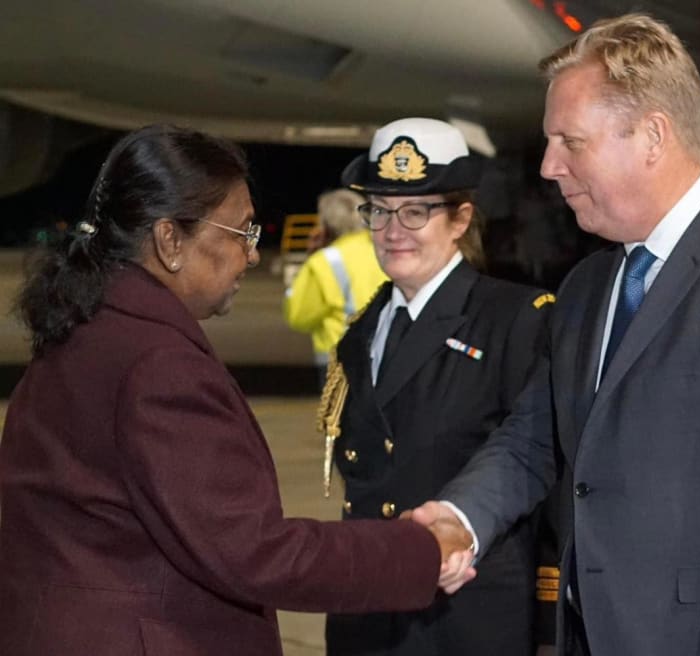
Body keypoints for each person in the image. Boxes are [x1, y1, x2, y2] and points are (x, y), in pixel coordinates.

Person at [414, 14, 700, 656]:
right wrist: (460, 518)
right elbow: (538, 437)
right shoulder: (590, 285)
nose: (547, 165)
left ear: (651, 136)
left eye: (570, 141)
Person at [0, 124, 471, 656]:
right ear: (170, 240)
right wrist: (419, 551)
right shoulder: (158, 366)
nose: (251, 255)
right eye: (242, 232)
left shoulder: (82, 332)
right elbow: (254, 552)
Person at [322, 117, 557, 656]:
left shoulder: (515, 319)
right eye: (378, 210)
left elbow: (538, 464)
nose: (392, 229)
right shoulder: (362, 329)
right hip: (369, 615)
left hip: (466, 621)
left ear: (460, 219)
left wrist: (549, 625)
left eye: (416, 211)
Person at [284, 189, 388, 377]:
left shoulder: (324, 262)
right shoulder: (386, 251)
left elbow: (298, 317)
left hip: (341, 362)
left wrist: (309, 260)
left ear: (326, 225)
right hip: (388, 356)